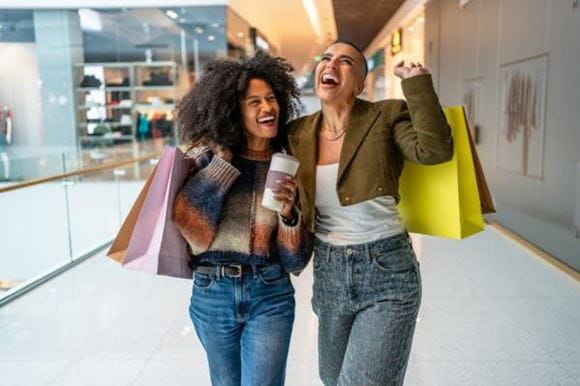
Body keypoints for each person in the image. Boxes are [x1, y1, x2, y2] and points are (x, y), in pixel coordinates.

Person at [286, 41, 453, 385]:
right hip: (329, 270)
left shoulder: (386, 114)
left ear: (360, 84)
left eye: (345, 61)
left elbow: (434, 150)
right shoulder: (297, 133)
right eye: (326, 58)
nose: (331, 65)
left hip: (387, 268)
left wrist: (417, 84)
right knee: (332, 379)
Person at [173, 51, 313, 386]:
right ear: (233, 110)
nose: (268, 108)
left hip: (270, 291)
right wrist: (221, 166)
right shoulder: (206, 160)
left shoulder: (287, 164)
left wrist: (289, 215)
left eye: (271, 98)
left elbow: (296, 261)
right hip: (212, 291)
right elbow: (193, 233)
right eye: (254, 102)